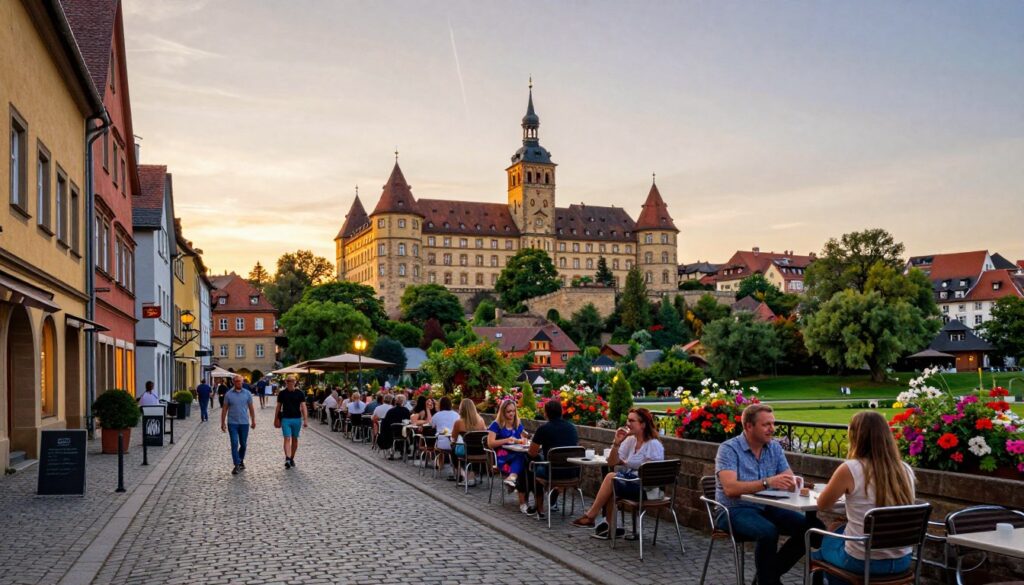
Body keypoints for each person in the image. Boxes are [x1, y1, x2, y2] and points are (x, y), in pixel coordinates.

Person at [713, 404, 824, 585]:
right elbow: (730, 489)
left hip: (768, 507)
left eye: (773, 424)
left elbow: (788, 477)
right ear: (749, 426)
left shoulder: (774, 448)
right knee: (767, 532)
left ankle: (767, 578)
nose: (772, 429)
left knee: (814, 528)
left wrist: (792, 483)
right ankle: (768, 580)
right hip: (733, 510)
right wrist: (767, 482)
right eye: (766, 425)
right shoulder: (729, 449)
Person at [812, 411, 916, 583]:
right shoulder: (905, 469)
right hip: (902, 560)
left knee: (820, 546)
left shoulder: (851, 469)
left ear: (855, 436)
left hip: (863, 561)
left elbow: (822, 504)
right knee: (837, 528)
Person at [571, 407, 664, 539]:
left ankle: (591, 516)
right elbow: (611, 463)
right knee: (612, 484)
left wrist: (627, 468)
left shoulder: (653, 444)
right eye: (627, 419)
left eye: (632, 421)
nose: (628, 423)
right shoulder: (630, 440)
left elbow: (650, 474)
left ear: (642, 424)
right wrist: (616, 443)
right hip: (633, 483)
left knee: (610, 478)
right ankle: (610, 527)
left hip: (648, 489)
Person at [520, 398, 578, 517]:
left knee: (531, 464)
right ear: (561, 412)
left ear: (546, 413)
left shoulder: (544, 429)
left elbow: (531, 452)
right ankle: (554, 495)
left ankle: (539, 507)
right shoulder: (572, 428)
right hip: (573, 472)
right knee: (541, 461)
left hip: (553, 472)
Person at [487, 399, 528, 492]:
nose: (511, 414)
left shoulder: (517, 423)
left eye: (513, 411)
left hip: (515, 453)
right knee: (522, 458)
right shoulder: (496, 425)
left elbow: (521, 438)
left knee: (526, 459)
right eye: (508, 411)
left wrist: (523, 440)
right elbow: (490, 443)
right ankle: (513, 478)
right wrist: (506, 440)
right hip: (502, 457)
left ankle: (512, 479)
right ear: (502, 412)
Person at [221, 375, 256, 475]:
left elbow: (251, 408)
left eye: (240, 381)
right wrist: (222, 422)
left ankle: (240, 460)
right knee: (234, 443)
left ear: (242, 382)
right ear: (233, 382)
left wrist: (253, 420)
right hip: (232, 423)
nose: (238, 383)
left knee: (243, 444)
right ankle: (236, 464)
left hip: (244, 423)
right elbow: (224, 409)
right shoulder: (228, 394)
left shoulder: (247, 393)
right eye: (236, 381)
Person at [274, 375, 308, 469]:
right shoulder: (282, 393)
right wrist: (276, 418)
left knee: (295, 439)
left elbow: (304, 407)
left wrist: (305, 419)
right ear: (286, 382)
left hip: (297, 419)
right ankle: (288, 458)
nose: (290, 382)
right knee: (287, 438)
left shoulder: (300, 393)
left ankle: (292, 457)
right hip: (286, 419)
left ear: (295, 382)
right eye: (288, 381)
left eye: (292, 381)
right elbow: (278, 407)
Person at [450, 398, 486, 486]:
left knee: (453, 448)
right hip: (480, 452)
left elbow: (453, 438)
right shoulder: (481, 421)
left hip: (467, 452)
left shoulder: (458, 422)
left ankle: (463, 474)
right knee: (472, 448)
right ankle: (472, 475)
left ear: (461, 409)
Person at [431, 396, 460, 476]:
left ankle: (440, 464)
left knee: (437, 444)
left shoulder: (437, 415)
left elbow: (432, 426)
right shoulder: (456, 415)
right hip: (454, 442)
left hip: (441, 443)